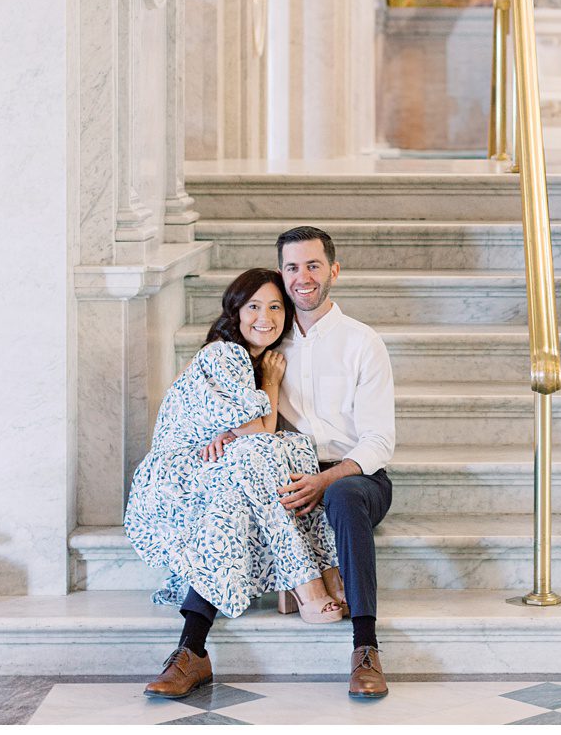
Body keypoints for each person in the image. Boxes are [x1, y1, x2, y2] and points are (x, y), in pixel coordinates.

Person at [171, 225, 399, 698]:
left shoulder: (363, 342)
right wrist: (223, 433)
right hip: (279, 475)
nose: (303, 277)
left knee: (343, 494)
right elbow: (238, 409)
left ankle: (365, 647)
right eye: (292, 267)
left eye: (313, 265)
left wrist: (326, 478)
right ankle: (191, 649)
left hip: (354, 474)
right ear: (282, 273)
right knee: (230, 492)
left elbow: (379, 441)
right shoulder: (265, 338)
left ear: (333, 270)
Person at [130, 270, 346, 699]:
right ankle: (311, 578)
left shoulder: (246, 359)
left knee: (253, 474)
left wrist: (236, 433)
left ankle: (191, 650)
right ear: (234, 310)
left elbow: (252, 432)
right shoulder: (225, 354)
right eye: (253, 306)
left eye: (275, 307)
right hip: (174, 479)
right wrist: (269, 383)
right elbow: (259, 430)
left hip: (213, 473)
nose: (264, 317)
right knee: (260, 453)